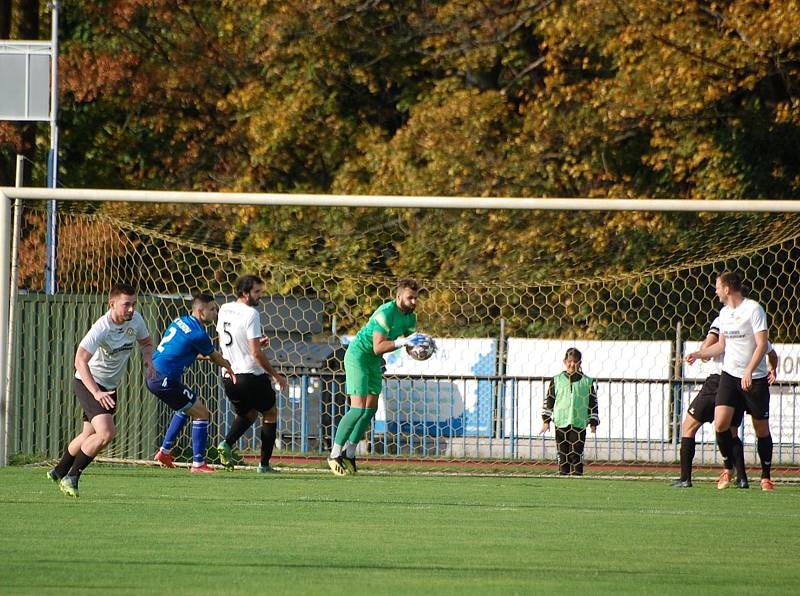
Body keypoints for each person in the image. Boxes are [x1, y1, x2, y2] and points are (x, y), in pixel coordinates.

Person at [47, 283, 154, 497]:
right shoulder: (101, 328)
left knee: (89, 435)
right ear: (112, 304)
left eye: (134, 304)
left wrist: (148, 360)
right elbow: (79, 360)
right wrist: (96, 392)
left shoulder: (137, 320)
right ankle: (73, 476)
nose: (131, 309)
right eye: (126, 305)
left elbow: (146, 342)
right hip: (90, 383)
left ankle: (59, 471)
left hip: (109, 386)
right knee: (106, 433)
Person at [687, 271, 776, 491]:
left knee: (761, 429)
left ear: (727, 289)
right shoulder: (724, 314)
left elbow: (763, 345)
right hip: (729, 376)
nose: (715, 290)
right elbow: (722, 346)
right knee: (720, 423)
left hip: (754, 378)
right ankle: (728, 468)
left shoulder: (754, 309)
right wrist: (699, 354)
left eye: (717, 286)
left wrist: (749, 370)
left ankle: (766, 476)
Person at [327, 278, 425, 476]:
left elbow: (406, 346)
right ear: (398, 297)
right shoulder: (385, 313)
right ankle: (334, 454)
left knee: (370, 410)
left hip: (373, 361)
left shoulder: (410, 318)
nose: (414, 302)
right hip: (358, 357)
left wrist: (420, 349)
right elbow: (378, 346)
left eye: (416, 298)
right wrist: (404, 341)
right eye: (410, 298)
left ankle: (350, 453)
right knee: (357, 409)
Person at [675, 317, 778, 488]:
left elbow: (709, 347)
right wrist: (773, 369)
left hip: (719, 380)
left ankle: (686, 478)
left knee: (689, 426)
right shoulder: (752, 327)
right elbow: (771, 353)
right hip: (742, 381)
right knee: (732, 431)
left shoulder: (722, 320)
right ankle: (742, 477)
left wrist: (701, 353)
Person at [148, 292, 237, 473]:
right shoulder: (198, 334)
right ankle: (198, 463)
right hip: (165, 378)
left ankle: (165, 452)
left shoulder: (180, 321)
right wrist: (229, 367)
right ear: (200, 311)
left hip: (154, 374)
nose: (215, 313)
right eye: (212, 309)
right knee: (202, 413)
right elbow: (214, 355)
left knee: (186, 408)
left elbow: (182, 350)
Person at [215, 275, 287, 473]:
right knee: (270, 412)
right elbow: (255, 353)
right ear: (245, 293)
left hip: (229, 376)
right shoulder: (251, 314)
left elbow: (224, 340)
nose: (260, 296)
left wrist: (252, 345)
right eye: (257, 292)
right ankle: (264, 465)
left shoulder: (224, 308)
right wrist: (275, 375)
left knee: (249, 413)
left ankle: (226, 444)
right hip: (249, 375)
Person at [539, 348, 599, 476]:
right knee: (563, 454)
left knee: (576, 454)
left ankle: (577, 477)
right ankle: (563, 477)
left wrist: (593, 421)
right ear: (565, 361)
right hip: (561, 422)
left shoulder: (587, 382)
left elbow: (592, 402)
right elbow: (549, 400)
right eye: (569, 361)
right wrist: (546, 421)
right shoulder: (557, 380)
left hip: (579, 422)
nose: (572, 364)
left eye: (575, 362)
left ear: (580, 363)